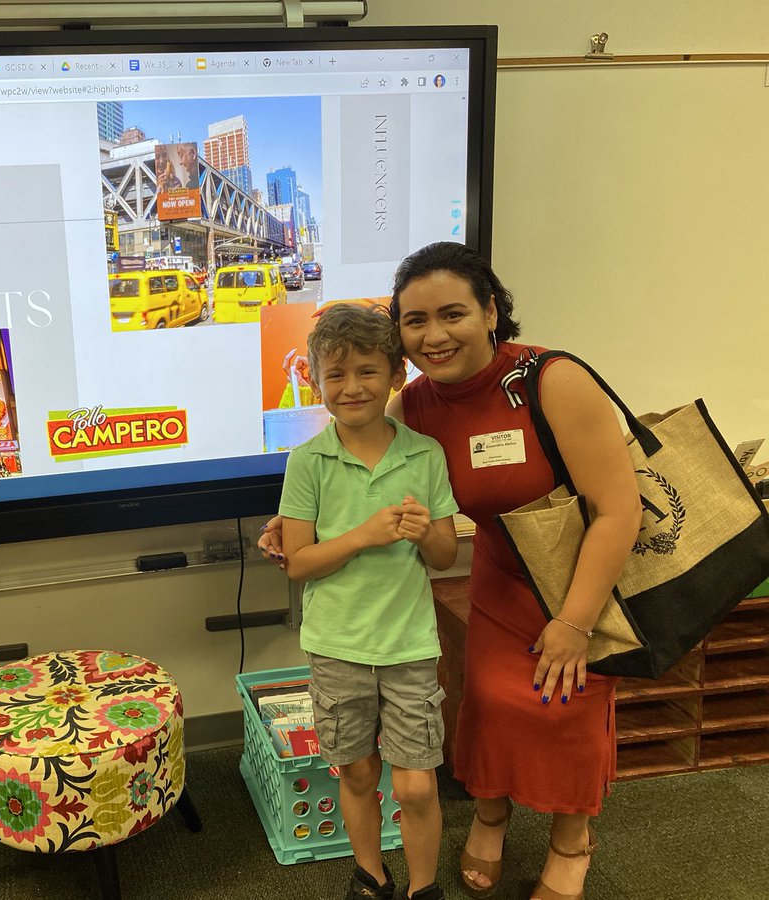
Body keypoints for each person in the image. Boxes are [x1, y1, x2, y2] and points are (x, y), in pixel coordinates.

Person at [260, 243, 642, 900]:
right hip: (498, 574)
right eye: (415, 320)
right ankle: (490, 818)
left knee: (566, 706)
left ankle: (571, 842)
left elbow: (617, 509)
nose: (434, 335)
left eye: (453, 313)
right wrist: (293, 527)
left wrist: (575, 622)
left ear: (492, 310)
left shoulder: (550, 380)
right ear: (400, 337)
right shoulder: (421, 404)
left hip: (576, 573)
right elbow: (361, 457)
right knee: (489, 705)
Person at [278, 302, 459, 900]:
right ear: (315, 381)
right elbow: (299, 563)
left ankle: (423, 887)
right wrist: (362, 536)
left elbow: (443, 556)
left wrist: (423, 529)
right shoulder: (308, 461)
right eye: (336, 374)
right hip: (336, 644)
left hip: (408, 643)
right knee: (355, 770)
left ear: (396, 377)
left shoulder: (424, 454)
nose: (351, 387)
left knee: (415, 785)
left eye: (366, 372)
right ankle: (370, 875)